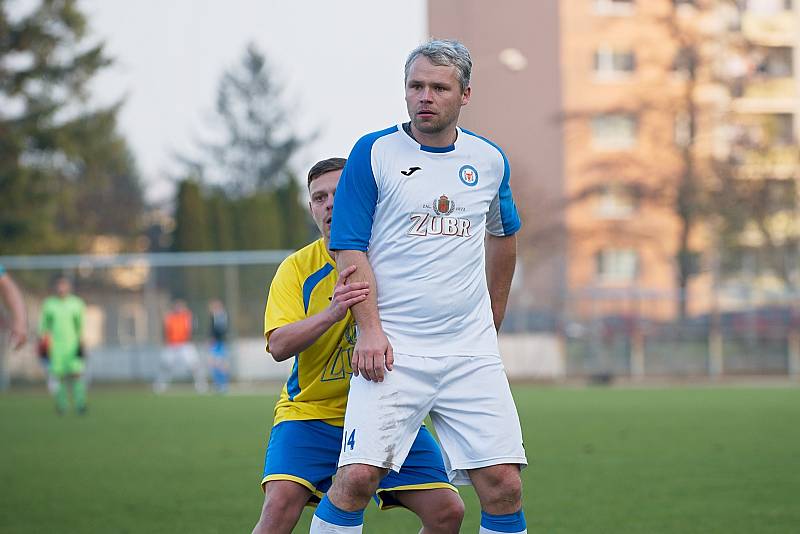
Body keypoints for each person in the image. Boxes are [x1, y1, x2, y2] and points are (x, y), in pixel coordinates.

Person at [311, 40, 528, 534]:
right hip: (392, 348)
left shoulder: (489, 159)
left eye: (438, 87)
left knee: (503, 484)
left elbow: (504, 235)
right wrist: (369, 330)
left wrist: (492, 318)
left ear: (465, 94)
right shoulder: (374, 152)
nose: (424, 96)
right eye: (415, 86)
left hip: (468, 351)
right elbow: (349, 247)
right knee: (358, 478)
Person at [252, 158, 465, 534]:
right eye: (319, 197)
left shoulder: (393, 258)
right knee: (278, 508)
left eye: (338, 192)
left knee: (448, 512)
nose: (330, 203)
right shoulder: (297, 269)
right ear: (312, 208)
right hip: (310, 415)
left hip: (387, 412)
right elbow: (279, 345)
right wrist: (333, 313)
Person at [38, 276, 87, 415]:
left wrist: (81, 340)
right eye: (59, 286)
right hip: (56, 346)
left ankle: (80, 404)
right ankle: (62, 406)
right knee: (58, 376)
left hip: (73, 345)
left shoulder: (77, 303)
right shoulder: (49, 304)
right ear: (55, 287)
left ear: (69, 287)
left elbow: (81, 324)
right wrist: (43, 339)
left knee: (76, 374)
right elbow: (44, 325)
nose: (61, 289)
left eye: (64, 285)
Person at [154, 299, 207, 393]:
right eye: (177, 306)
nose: (179, 308)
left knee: (194, 364)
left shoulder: (187, 316)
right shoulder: (170, 317)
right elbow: (166, 330)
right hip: (172, 344)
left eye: (181, 306)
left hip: (185, 344)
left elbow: (192, 329)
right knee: (165, 365)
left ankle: (201, 384)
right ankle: (161, 384)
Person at [208, 299, 229, 393]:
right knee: (214, 364)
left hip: (220, 343)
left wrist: (214, 339)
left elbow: (221, 330)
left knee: (221, 364)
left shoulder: (222, 316)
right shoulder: (213, 317)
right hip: (215, 343)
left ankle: (223, 384)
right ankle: (217, 384)